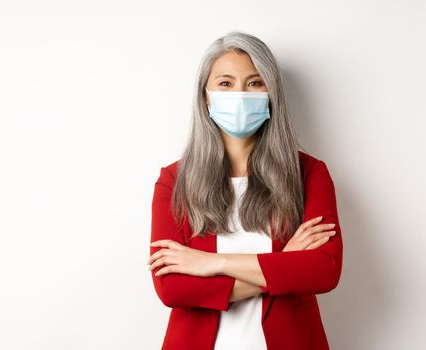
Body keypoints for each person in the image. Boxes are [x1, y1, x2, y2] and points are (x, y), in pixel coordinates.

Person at [147, 31, 343, 350]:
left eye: (254, 83)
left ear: (271, 93)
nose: (240, 94)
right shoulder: (174, 180)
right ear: (206, 96)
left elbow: (323, 270)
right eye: (226, 83)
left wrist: (213, 263)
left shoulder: (309, 173)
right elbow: (172, 288)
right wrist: (285, 262)